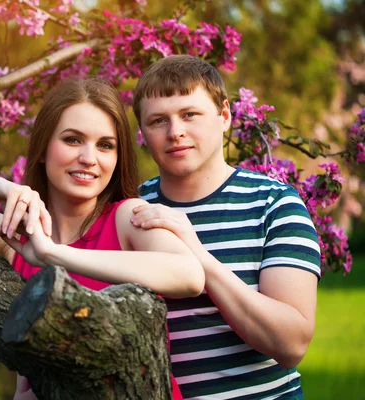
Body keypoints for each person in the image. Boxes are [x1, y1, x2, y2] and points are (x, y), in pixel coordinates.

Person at [0, 78, 205, 399]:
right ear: (44, 149)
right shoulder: (13, 235)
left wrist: (53, 254)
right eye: (73, 140)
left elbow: (190, 275)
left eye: (105, 145)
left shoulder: (127, 217)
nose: (89, 158)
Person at [129, 55, 321, 399]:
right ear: (142, 133)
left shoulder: (275, 206)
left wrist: (199, 258)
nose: (176, 132)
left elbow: (291, 344)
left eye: (190, 114)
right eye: (158, 120)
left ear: (225, 116)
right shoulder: (129, 212)